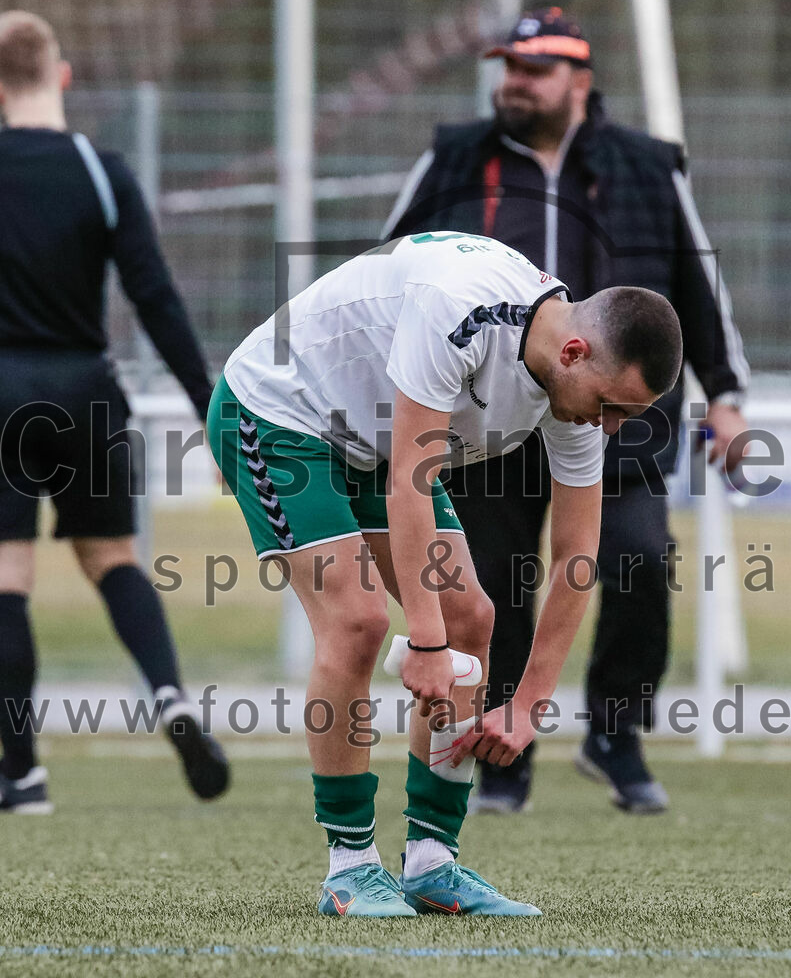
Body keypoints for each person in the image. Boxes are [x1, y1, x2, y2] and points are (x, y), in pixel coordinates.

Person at [207, 232, 683, 916]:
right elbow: (410, 480)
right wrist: (425, 644)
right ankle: (349, 867)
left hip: (372, 441)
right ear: (574, 352)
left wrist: (528, 703)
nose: (610, 428)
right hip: (279, 412)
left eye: (626, 416)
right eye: (612, 407)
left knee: (471, 620)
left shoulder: (580, 389)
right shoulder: (461, 313)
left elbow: (577, 555)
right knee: (358, 623)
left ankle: (432, 862)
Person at [384, 7, 750, 814]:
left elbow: (699, 286)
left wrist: (725, 397)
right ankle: (502, 758)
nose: (514, 82)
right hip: (487, 417)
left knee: (637, 560)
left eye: (534, 69)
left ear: (579, 80)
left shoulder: (646, 166)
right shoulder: (455, 157)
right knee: (494, 583)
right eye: (508, 66)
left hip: (612, 413)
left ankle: (616, 734)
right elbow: (391, 265)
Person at [0, 11, 229, 813]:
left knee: (7, 577)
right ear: (61, 76)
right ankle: (168, 695)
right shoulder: (102, 173)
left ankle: (22, 773)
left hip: (2, 390)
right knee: (113, 558)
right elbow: (155, 296)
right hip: (87, 393)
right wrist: (210, 408)